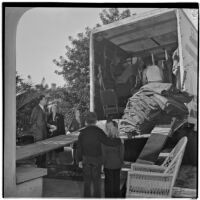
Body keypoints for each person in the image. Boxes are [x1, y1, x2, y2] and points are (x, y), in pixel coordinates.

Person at [76, 112, 121, 198]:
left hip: (86, 159)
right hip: (97, 160)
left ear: (86, 121)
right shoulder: (99, 132)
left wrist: (79, 160)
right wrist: (119, 140)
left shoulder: (82, 133)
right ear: (95, 121)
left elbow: (79, 148)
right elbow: (108, 142)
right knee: (96, 182)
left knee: (87, 183)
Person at [102, 119, 124, 198]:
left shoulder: (104, 141)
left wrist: (102, 165)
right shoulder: (120, 141)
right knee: (116, 183)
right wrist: (121, 163)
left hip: (107, 165)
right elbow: (122, 154)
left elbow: (103, 155)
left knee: (108, 183)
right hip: (117, 165)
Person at [29, 95, 48, 167]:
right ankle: (38, 168)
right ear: (40, 100)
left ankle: (43, 169)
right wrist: (36, 133)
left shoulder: (45, 109)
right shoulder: (36, 109)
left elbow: (44, 122)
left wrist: (50, 126)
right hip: (38, 135)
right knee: (39, 153)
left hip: (44, 134)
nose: (46, 100)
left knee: (43, 152)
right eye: (45, 99)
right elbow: (32, 121)